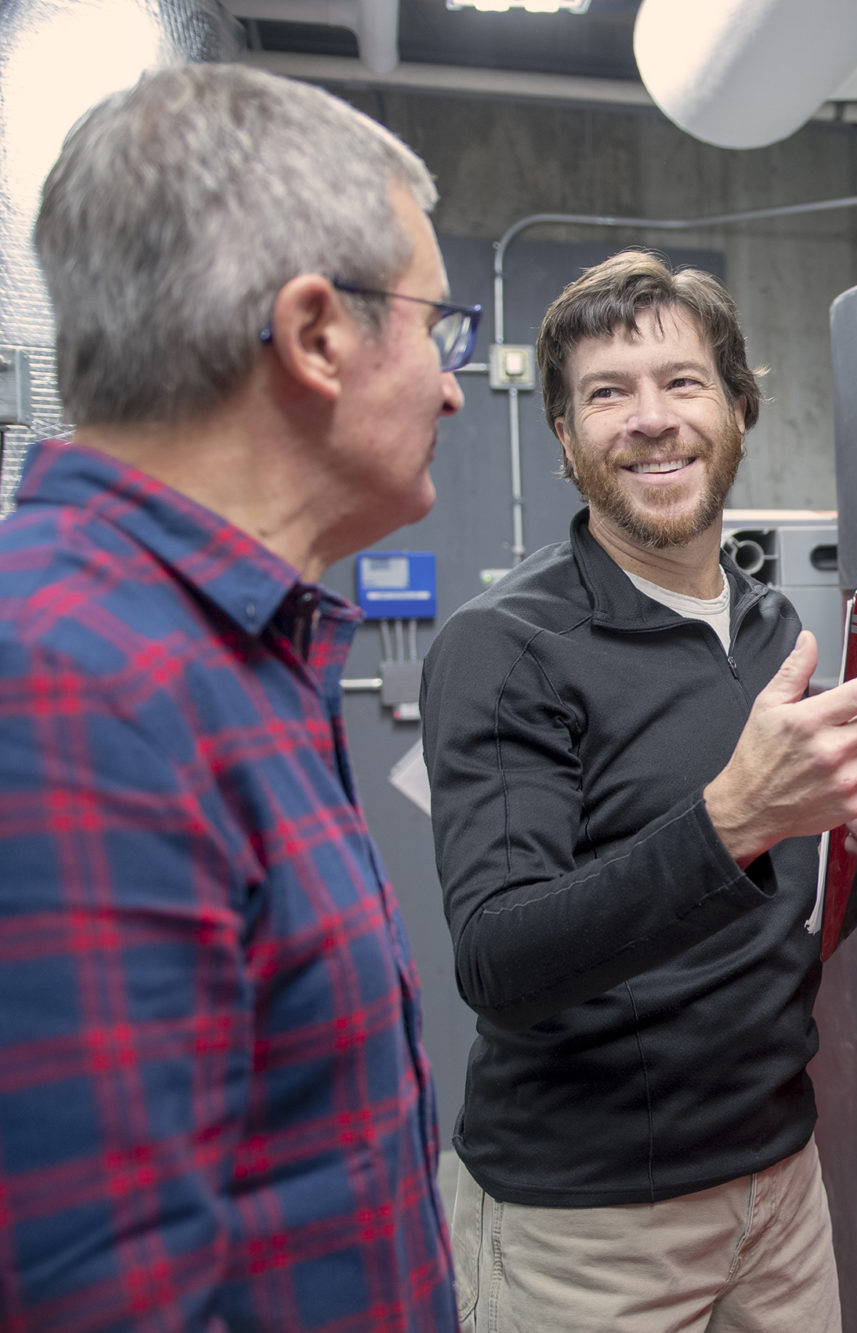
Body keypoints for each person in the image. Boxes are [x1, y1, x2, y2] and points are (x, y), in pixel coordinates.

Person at [0, 65, 469, 1330]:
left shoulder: (232, 650)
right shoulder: (71, 687)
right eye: (439, 325)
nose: (452, 385)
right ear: (317, 334)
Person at [421, 249, 857, 1332]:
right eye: (607, 394)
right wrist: (735, 816)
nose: (650, 419)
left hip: (779, 1186)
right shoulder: (505, 648)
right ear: (564, 439)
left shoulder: (770, 628)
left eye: (682, 382)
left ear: (739, 408)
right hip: (586, 1229)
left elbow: (780, 916)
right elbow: (497, 960)